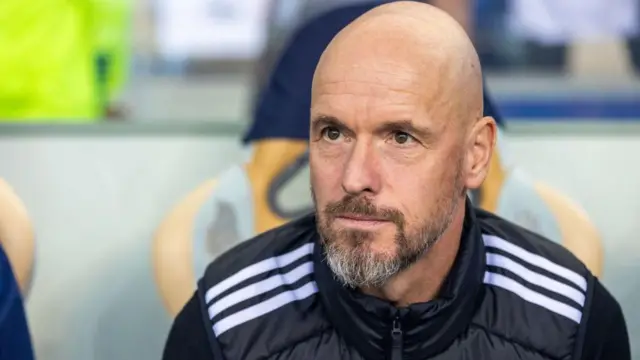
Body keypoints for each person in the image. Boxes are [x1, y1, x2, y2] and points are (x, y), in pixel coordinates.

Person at [162, 2, 628, 359]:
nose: (354, 177)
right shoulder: (224, 323)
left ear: (475, 154)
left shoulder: (573, 322)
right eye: (333, 132)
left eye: (400, 138)